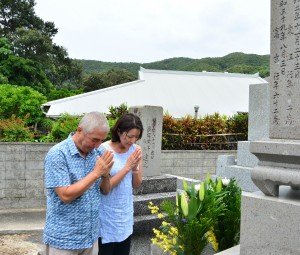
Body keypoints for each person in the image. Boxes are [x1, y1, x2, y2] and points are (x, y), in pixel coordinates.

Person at [44, 111, 114, 255]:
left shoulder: (98, 153)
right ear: (79, 130)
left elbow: (105, 190)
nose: (98, 145)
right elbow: (65, 195)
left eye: (102, 140)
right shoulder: (58, 154)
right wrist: (96, 173)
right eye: (94, 140)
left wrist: (106, 175)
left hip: (91, 237)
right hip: (64, 239)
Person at [97, 113, 143, 255]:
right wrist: (127, 167)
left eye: (136, 137)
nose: (133, 140)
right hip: (106, 215)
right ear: (119, 131)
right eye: (129, 136)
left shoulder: (136, 150)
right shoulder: (104, 150)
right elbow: (105, 188)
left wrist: (135, 169)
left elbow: (136, 185)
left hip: (125, 214)